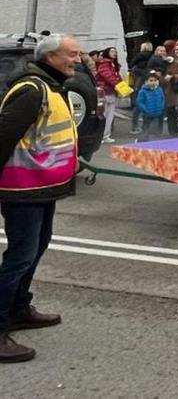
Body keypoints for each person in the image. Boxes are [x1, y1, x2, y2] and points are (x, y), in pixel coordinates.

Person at [0, 34, 81, 363]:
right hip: (23, 188)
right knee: (20, 256)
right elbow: (3, 136)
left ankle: (19, 308)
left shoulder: (52, 87)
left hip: (42, 187)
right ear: (51, 57)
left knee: (37, 247)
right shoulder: (32, 90)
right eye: (71, 55)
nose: (77, 59)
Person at [95, 47, 122, 144]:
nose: (115, 53)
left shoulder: (112, 64)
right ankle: (101, 135)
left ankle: (105, 135)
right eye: (112, 51)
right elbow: (108, 76)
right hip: (105, 91)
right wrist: (119, 85)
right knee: (105, 114)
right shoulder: (104, 64)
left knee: (109, 115)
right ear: (107, 53)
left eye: (115, 51)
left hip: (111, 91)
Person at [127, 42, 153, 135]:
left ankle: (134, 126)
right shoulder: (153, 56)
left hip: (139, 78)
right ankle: (146, 127)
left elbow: (131, 63)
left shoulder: (140, 55)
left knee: (138, 103)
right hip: (148, 79)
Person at [135, 72, 166, 140]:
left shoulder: (159, 90)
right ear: (146, 81)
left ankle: (153, 142)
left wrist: (161, 107)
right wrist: (146, 109)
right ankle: (142, 142)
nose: (153, 82)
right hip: (147, 115)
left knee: (154, 130)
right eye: (151, 80)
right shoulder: (143, 91)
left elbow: (162, 98)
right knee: (146, 130)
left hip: (157, 114)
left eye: (155, 80)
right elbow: (139, 102)